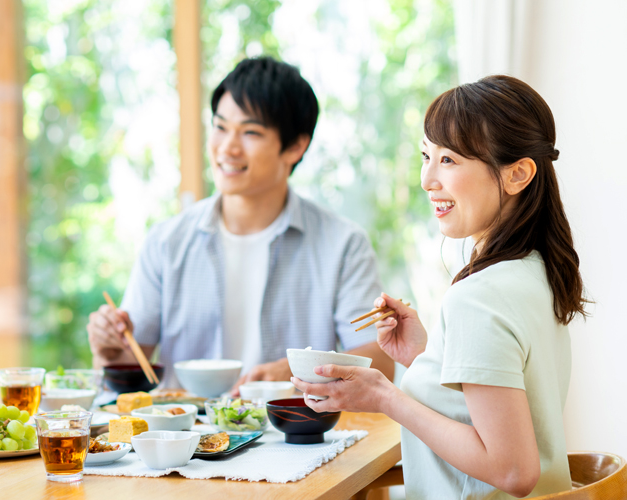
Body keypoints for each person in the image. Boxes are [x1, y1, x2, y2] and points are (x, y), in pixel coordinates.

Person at [291, 75, 587, 499]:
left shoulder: (480, 296)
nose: (428, 179)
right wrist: (425, 358)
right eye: (426, 156)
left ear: (518, 174)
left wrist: (385, 397)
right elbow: (501, 406)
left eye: (449, 160)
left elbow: (512, 470)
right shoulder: (536, 271)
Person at [87, 56, 394, 390]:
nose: (227, 148)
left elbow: (377, 362)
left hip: (297, 435)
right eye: (220, 127)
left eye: (250, 132)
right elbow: (133, 368)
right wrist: (107, 348)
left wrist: (298, 371)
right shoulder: (166, 241)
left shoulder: (342, 244)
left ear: (295, 146)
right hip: (191, 439)